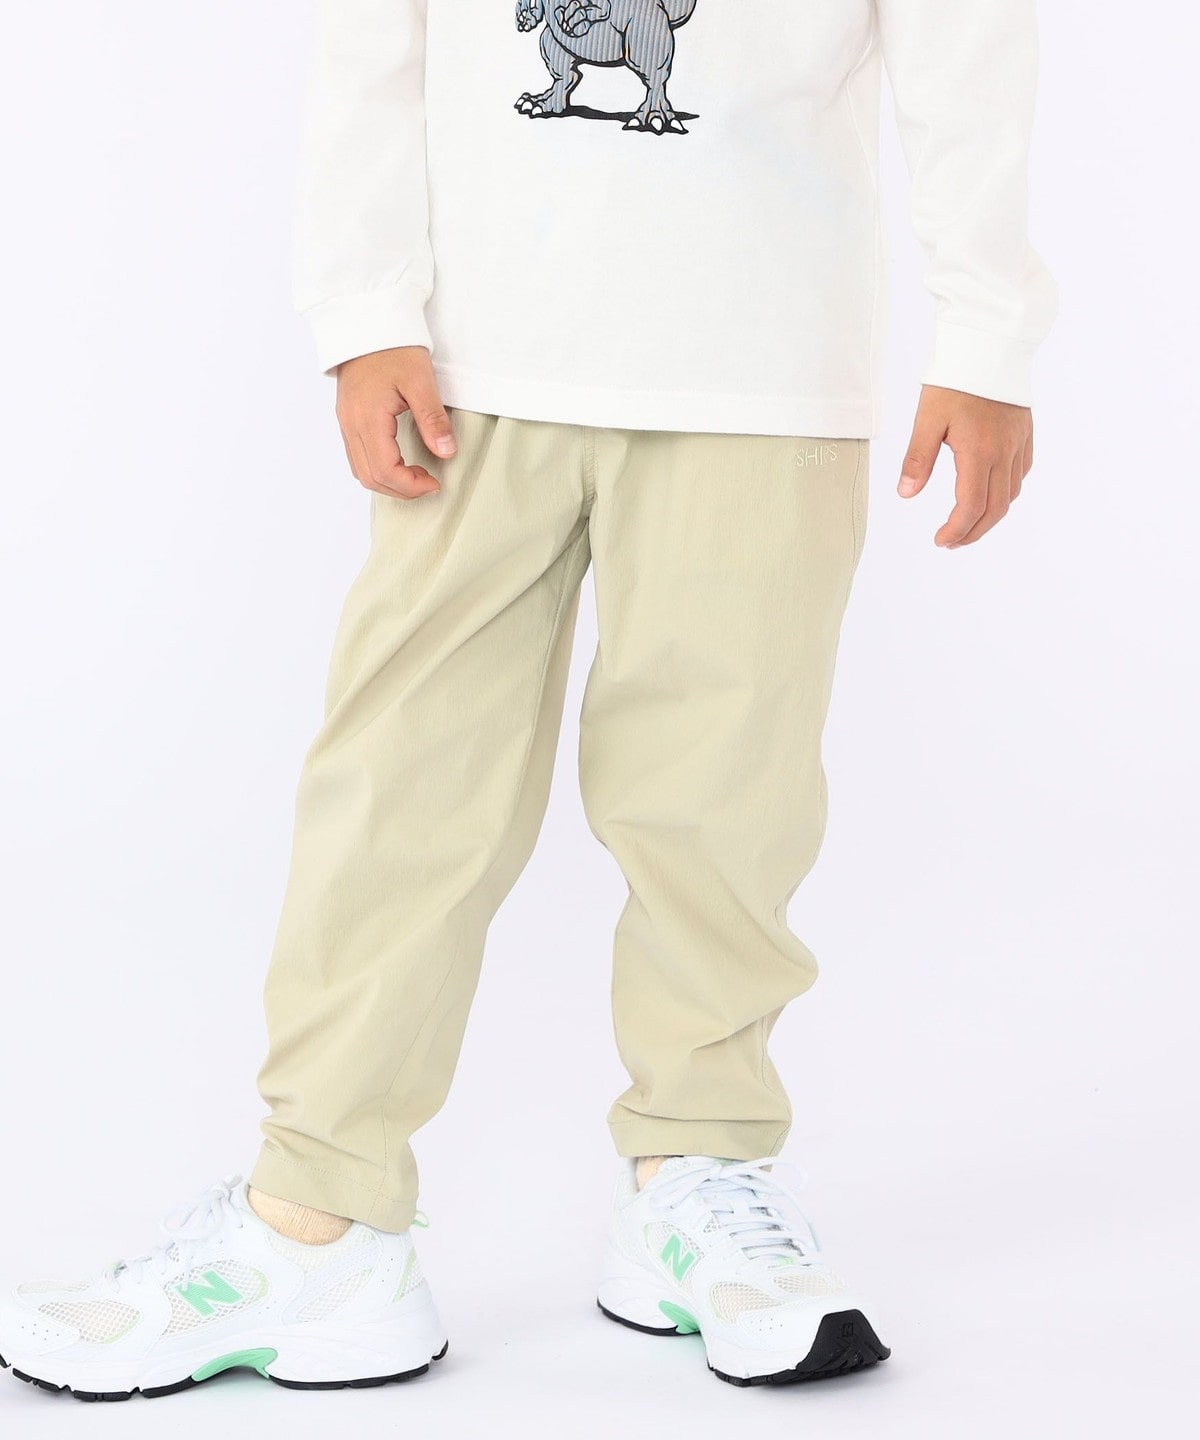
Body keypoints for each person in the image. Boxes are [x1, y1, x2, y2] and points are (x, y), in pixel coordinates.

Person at [0, 0, 1056, 1402]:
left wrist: (986, 337)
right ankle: (319, 1215)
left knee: (723, 801)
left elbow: (967, 45)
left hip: (762, 359)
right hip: (475, 361)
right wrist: (364, 310)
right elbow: (373, 45)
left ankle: (698, 1173)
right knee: (401, 783)